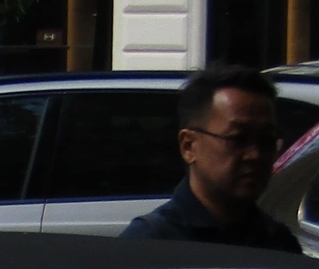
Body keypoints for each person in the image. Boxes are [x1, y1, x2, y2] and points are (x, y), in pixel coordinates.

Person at [123, 64, 302, 249]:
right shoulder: (150, 243)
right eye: (238, 139)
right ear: (188, 146)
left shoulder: (279, 243)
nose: (254, 155)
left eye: (266, 140)